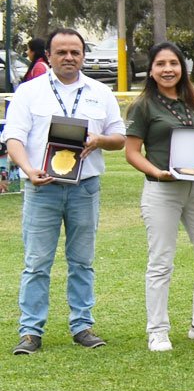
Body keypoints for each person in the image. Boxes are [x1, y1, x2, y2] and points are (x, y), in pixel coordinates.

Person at [6, 28, 123, 355]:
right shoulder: (29, 93)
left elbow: (119, 137)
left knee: (82, 261)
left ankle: (82, 326)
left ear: (83, 55)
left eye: (75, 52)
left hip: (84, 188)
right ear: (49, 56)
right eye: (62, 52)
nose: (69, 58)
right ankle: (30, 332)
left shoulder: (101, 92)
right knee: (36, 262)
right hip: (42, 187)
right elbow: (14, 137)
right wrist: (28, 170)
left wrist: (99, 140)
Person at [123, 43, 194, 352]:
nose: (168, 69)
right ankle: (158, 330)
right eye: (161, 64)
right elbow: (131, 152)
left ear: (182, 67)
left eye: (174, 63)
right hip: (162, 188)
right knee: (161, 262)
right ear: (151, 70)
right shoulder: (144, 105)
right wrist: (157, 171)